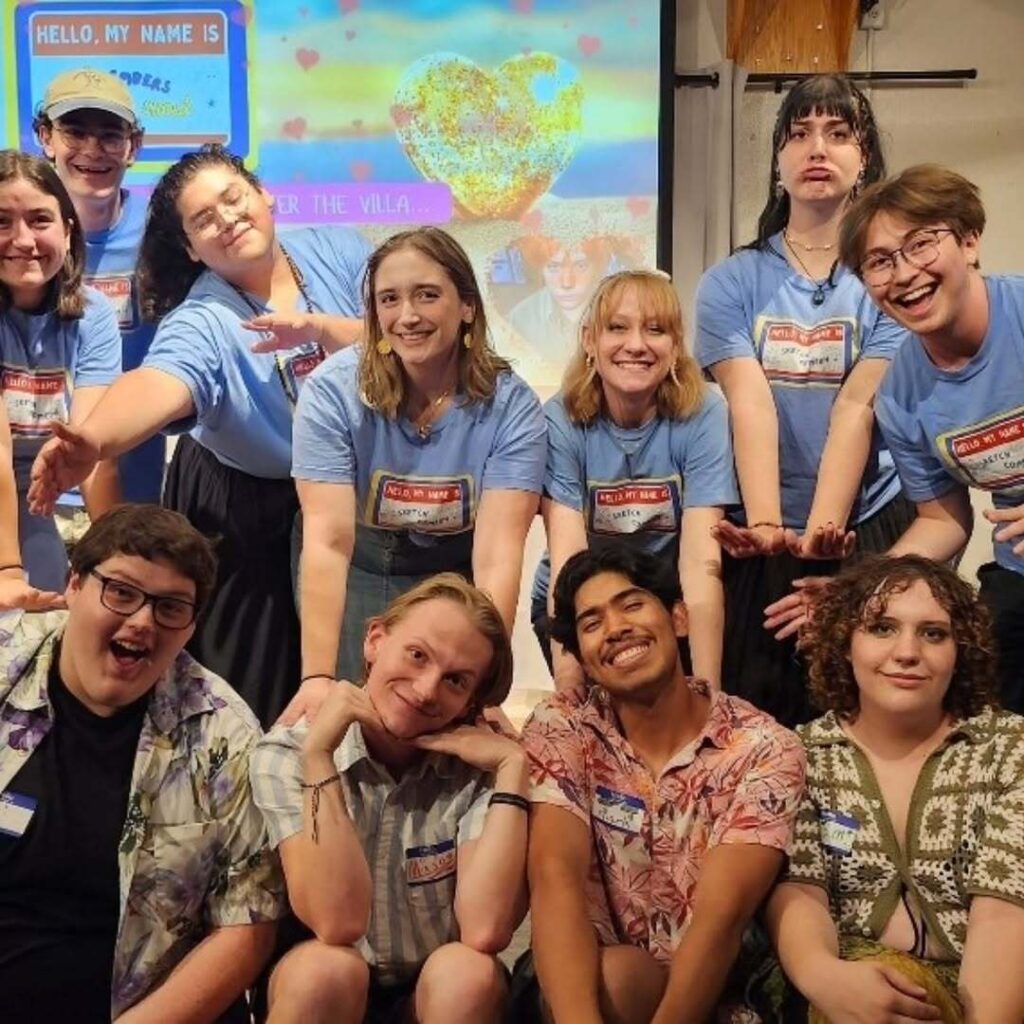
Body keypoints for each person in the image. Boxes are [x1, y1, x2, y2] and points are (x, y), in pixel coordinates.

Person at [27, 144, 371, 726]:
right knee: (254, 689)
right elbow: (161, 382)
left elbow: (406, 331)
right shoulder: (203, 317)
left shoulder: (336, 249)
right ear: (190, 247)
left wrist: (319, 328)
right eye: (203, 219)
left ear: (263, 195)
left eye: (233, 199)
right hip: (243, 503)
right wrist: (94, 439)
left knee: (353, 668)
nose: (228, 220)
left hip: (347, 490)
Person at [0, 504, 285, 1021]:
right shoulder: (5, 665)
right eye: (122, 592)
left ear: (191, 626)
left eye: (171, 607)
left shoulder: (226, 737)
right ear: (74, 585)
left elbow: (247, 926)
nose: (142, 622)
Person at [695, 74, 913, 726]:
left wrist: (822, 545)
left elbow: (857, 407)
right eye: (799, 134)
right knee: (757, 717)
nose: (817, 149)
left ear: (864, 157)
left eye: (837, 134)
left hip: (866, 522)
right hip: (756, 527)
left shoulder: (893, 277)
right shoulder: (731, 280)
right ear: (778, 162)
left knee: (863, 711)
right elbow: (750, 402)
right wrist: (770, 536)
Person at [523, 546, 806, 1023]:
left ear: (678, 618)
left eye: (632, 605)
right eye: (592, 624)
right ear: (582, 658)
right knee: (617, 974)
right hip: (589, 986)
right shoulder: (564, 725)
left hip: (717, 997)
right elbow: (555, 877)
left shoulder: (762, 747)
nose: (616, 629)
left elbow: (723, 918)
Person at [250, 573, 527, 1024]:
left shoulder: (480, 772)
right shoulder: (286, 752)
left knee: (469, 974)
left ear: (472, 702)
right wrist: (319, 757)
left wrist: (514, 769)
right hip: (324, 989)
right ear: (376, 639)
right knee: (327, 969)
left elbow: (486, 930)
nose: (425, 689)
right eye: (417, 656)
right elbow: (336, 923)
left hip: (428, 995)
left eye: (455, 681)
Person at [288, 226, 545, 702]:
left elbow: (496, 557)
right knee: (354, 713)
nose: (407, 316)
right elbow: (328, 541)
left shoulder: (512, 406)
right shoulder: (330, 392)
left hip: (453, 576)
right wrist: (316, 678)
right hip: (355, 568)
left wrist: (484, 697)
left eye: (427, 295)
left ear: (467, 305)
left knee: (439, 714)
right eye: (389, 299)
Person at [766, 554, 1024, 1023]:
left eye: (934, 633)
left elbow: (1005, 914)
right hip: (844, 988)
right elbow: (801, 890)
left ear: (961, 649)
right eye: (882, 628)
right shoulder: (799, 753)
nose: (907, 652)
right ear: (845, 643)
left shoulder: (1010, 749)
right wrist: (824, 976)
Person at [832, 164, 1024, 714]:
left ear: (968, 241)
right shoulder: (900, 394)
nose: (905, 273)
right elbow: (943, 521)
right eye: (879, 262)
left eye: (921, 244)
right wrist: (864, 589)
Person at [533, 269, 737, 690]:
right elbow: (570, 556)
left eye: (656, 330)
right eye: (618, 328)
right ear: (590, 340)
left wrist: (709, 694)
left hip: (667, 600)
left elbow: (701, 560)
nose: (637, 345)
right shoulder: (560, 419)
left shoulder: (705, 414)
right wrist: (572, 691)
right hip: (578, 602)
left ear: (676, 344)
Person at [35, 67, 166, 507]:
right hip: (25, 490)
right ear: (45, 137)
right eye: (74, 131)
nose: (93, 150)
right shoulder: (16, 240)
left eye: (110, 135)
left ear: (134, 146)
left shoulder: (168, 238)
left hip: (133, 492)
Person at [0, 150, 120, 595]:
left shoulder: (94, 315)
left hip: (35, 495)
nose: (23, 240)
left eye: (39, 220)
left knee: (52, 595)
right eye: (2, 222)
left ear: (68, 232)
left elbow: (90, 448)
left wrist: (114, 560)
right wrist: (7, 573)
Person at [507, 235, 611, 370]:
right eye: (553, 267)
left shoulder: (617, 311)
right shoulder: (520, 318)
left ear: (597, 267)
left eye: (580, 265)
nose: (567, 282)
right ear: (540, 269)